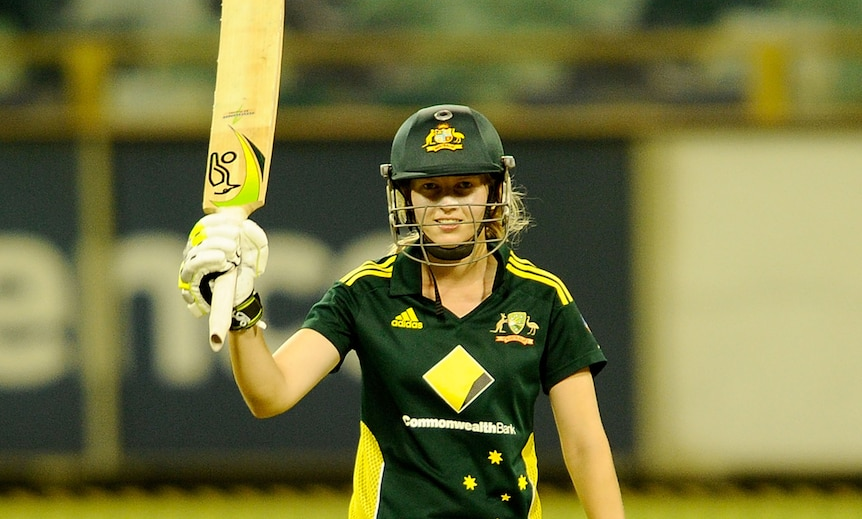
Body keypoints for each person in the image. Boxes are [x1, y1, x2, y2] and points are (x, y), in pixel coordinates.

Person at [179, 104, 625, 518]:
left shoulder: (542, 297)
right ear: (404, 195)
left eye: (464, 186)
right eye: (430, 188)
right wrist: (241, 310)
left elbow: (585, 443)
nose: (447, 205)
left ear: (495, 190)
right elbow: (271, 394)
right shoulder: (365, 293)